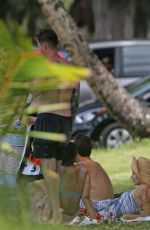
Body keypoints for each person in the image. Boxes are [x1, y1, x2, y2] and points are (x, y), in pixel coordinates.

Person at [29, 29, 80, 223]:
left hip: (48, 119)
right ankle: (53, 211)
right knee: (58, 169)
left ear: (43, 46)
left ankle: (55, 215)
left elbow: (34, 91)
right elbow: (74, 97)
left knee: (49, 171)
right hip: (65, 121)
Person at [29, 142, 97, 223]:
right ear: (75, 155)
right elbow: (85, 197)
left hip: (58, 214)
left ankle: (43, 218)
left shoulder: (57, 170)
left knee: (36, 185)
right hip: (73, 216)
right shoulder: (84, 170)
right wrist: (94, 219)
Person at [80, 156, 150, 220]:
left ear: (142, 174)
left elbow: (146, 216)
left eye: (134, 173)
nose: (131, 177)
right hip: (113, 204)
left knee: (85, 207)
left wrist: (128, 216)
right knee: (86, 205)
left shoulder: (144, 189)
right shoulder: (144, 188)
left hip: (114, 209)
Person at [74, 134, 114, 201]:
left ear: (75, 151)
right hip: (109, 204)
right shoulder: (96, 164)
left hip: (97, 207)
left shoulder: (80, 167)